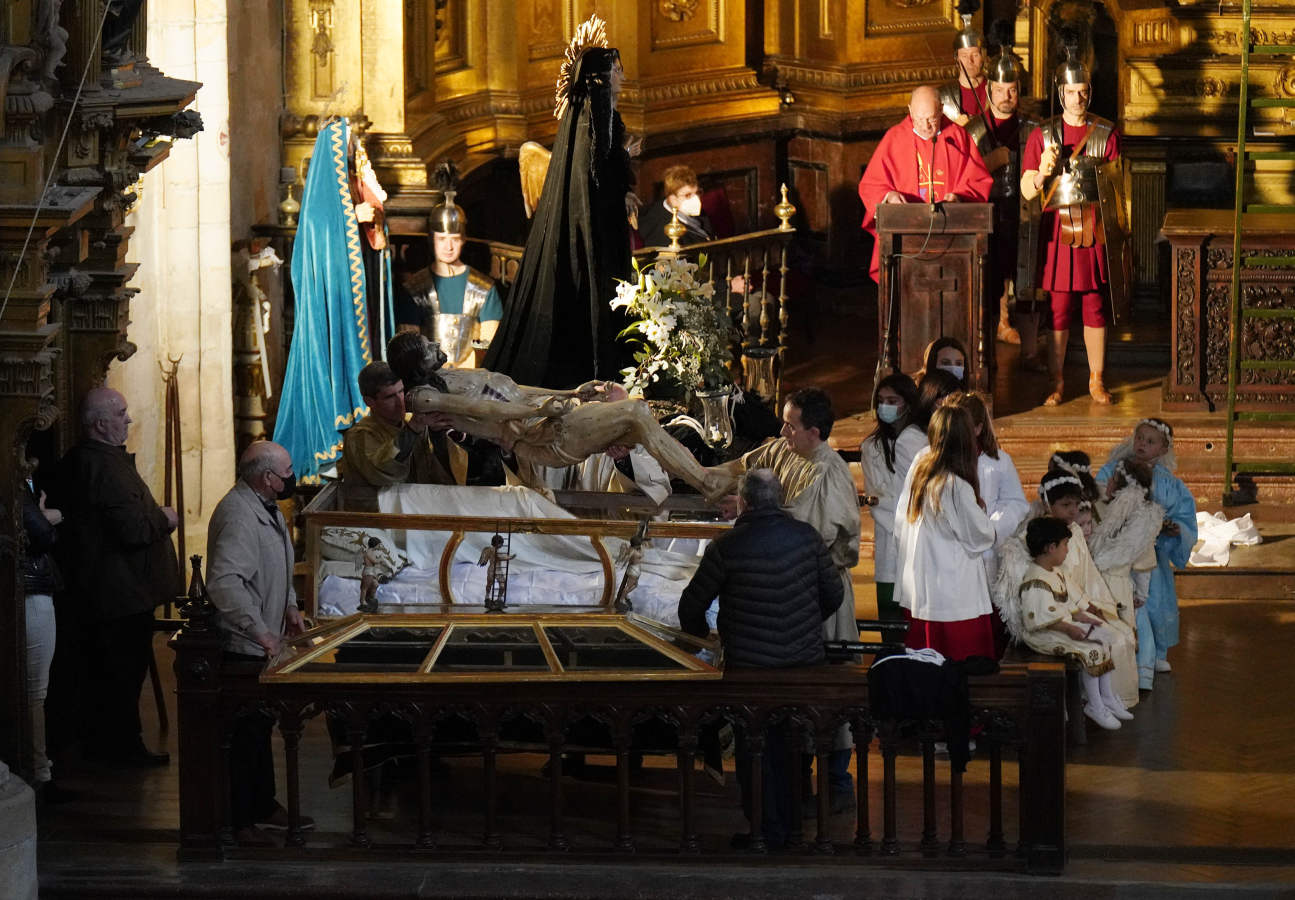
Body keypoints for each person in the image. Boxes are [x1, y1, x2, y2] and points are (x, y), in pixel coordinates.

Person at [707, 387, 860, 809]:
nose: (782, 431)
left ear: (814, 432)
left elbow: (805, 533)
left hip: (820, 591)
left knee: (823, 693)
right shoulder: (781, 451)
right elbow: (738, 471)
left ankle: (837, 785)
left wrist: (748, 511)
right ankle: (800, 785)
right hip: (791, 594)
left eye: (790, 425)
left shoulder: (829, 472)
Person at [678, 469, 844, 850]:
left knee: (756, 750)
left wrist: (703, 638)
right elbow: (833, 595)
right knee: (792, 746)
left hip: (749, 670)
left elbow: (692, 606)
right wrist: (803, 625)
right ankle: (792, 827)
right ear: (779, 499)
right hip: (802, 668)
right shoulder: (807, 538)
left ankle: (763, 830)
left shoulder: (726, 547)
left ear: (745, 502)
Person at [392, 332, 731, 500]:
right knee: (638, 411)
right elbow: (486, 410)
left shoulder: (450, 376)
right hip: (540, 435)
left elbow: (511, 388)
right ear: (418, 362)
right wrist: (537, 409)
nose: (434, 343)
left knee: (639, 423)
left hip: (542, 419)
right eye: (425, 344)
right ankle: (706, 482)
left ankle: (705, 477)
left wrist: (568, 394)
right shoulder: (427, 396)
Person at [484, 15, 634, 388]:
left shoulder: (596, 119)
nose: (622, 78)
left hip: (600, 223)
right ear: (600, 78)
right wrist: (622, 166)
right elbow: (597, 176)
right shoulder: (592, 121)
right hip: (593, 230)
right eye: (616, 71)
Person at [54, 387, 179, 766]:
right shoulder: (102, 466)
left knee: (118, 675)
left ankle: (115, 745)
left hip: (118, 592)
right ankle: (119, 749)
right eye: (121, 413)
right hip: (118, 595)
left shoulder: (99, 460)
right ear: (99, 423)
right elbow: (133, 530)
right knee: (119, 678)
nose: (128, 419)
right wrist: (165, 518)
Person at [274, 116, 396, 481]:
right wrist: (351, 219)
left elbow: (371, 238)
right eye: (347, 149)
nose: (353, 154)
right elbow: (325, 238)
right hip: (332, 305)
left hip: (356, 302)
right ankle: (339, 431)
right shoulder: (318, 210)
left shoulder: (349, 193)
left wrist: (371, 221)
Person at [206, 441, 311, 846]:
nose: (291, 477)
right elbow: (225, 582)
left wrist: (289, 607)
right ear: (268, 478)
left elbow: (277, 565)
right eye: (286, 471)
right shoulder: (238, 515)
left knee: (261, 726)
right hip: (244, 644)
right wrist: (259, 629)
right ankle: (240, 819)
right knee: (244, 736)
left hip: (267, 639)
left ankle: (263, 805)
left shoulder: (267, 508)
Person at [1020, 40, 1123, 406]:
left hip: (1093, 231)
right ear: (1060, 93)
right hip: (1057, 232)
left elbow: (1115, 187)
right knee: (1059, 307)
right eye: (1071, 92)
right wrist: (1042, 172)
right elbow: (1027, 190)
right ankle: (1057, 380)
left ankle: (1096, 379)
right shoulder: (1042, 135)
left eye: (1083, 91)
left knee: (1095, 303)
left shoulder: (1106, 134)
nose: (1077, 99)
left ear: (1089, 92)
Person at [994, 516, 1132, 730]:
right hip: (1044, 633)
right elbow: (1038, 618)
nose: (1068, 550)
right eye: (1065, 545)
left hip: (1063, 625)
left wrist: (1084, 617)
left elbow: (1068, 602)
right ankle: (1094, 705)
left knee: (1105, 637)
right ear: (1051, 548)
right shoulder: (1035, 579)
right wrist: (1069, 628)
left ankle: (1107, 697)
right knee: (1092, 649)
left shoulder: (1055, 572)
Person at [1096, 418, 1197, 690]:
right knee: (1128, 603)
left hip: (1154, 555)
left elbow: (1184, 514)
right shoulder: (1115, 470)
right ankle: (1130, 655)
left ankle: (1157, 654)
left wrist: (1176, 530)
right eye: (1139, 438)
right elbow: (1099, 496)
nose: (1142, 444)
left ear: (1163, 449)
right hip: (1121, 554)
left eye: (1150, 441)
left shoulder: (1170, 484)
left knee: (1155, 602)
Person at [858, 85, 994, 282]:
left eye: (931, 118)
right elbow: (870, 185)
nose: (925, 125)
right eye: (919, 119)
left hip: (950, 235)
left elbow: (978, 179)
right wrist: (889, 196)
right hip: (906, 234)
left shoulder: (957, 137)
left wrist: (959, 197)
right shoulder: (895, 138)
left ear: (941, 109)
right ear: (910, 110)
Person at [893, 403, 997, 659]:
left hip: (921, 586)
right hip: (953, 595)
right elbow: (980, 537)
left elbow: (900, 521)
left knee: (924, 664)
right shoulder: (954, 485)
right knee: (960, 667)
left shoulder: (921, 467)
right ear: (967, 440)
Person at [1028, 470, 1139, 708]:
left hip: (1080, 603)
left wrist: (1096, 607)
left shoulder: (1075, 531)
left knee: (1122, 634)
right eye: (1065, 504)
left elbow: (1088, 575)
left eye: (1076, 505)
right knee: (1105, 640)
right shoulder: (1037, 533)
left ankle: (1110, 698)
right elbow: (1046, 581)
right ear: (1047, 502)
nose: (1072, 511)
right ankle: (1091, 701)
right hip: (1056, 611)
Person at [966, 21, 1041, 352]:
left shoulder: (1034, 127)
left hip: (1024, 213)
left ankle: (1030, 351)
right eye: (1000, 90)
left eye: (1012, 89)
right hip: (989, 214)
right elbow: (963, 177)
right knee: (989, 284)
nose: (1006, 96)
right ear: (989, 90)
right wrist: (989, 163)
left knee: (1028, 285)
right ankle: (986, 352)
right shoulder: (973, 131)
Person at [402, 165, 504, 369]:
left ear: (463, 239)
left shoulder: (484, 288)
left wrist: (463, 368)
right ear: (432, 239)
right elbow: (409, 346)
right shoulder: (413, 289)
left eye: (454, 239)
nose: (448, 246)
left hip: (472, 378)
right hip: (426, 378)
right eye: (442, 239)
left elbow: (488, 343)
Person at [339, 360, 456, 506]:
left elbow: (436, 469)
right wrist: (413, 429)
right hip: (377, 518)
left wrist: (437, 432)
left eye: (401, 391)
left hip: (418, 509)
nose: (400, 402)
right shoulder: (359, 435)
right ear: (369, 401)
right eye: (390, 397)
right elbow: (384, 472)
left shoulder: (410, 422)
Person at [860, 374, 926, 621]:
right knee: (891, 616)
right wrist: (897, 518)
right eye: (881, 400)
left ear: (908, 403)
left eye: (893, 400)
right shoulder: (871, 448)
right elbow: (875, 498)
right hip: (889, 537)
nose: (885, 406)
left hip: (920, 535)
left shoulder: (920, 441)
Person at [951, 392, 1028, 589]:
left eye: (965, 428)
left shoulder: (999, 461)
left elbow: (1016, 504)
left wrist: (993, 528)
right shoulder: (941, 461)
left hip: (987, 549)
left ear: (978, 428)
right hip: (951, 548)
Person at [21, 462, 63, 796]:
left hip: (33, 588)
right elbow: (41, 534)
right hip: (30, 591)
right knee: (36, 690)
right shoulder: (14, 483)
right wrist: (49, 515)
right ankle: (39, 772)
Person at [938, 0, 990, 127]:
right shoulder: (943, 95)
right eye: (964, 56)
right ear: (957, 58)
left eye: (975, 55)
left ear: (983, 56)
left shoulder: (996, 90)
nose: (969, 61)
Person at [638, 164, 717, 248]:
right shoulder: (663, 231)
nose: (696, 199)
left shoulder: (698, 214)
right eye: (687, 195)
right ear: (672, 198)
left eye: (698, 192)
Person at [914, 368, 963, 432]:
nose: (954, 404)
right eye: (950, 399)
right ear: (930, 398)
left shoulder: (954, 429)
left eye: (957, 398)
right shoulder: (914, 435)